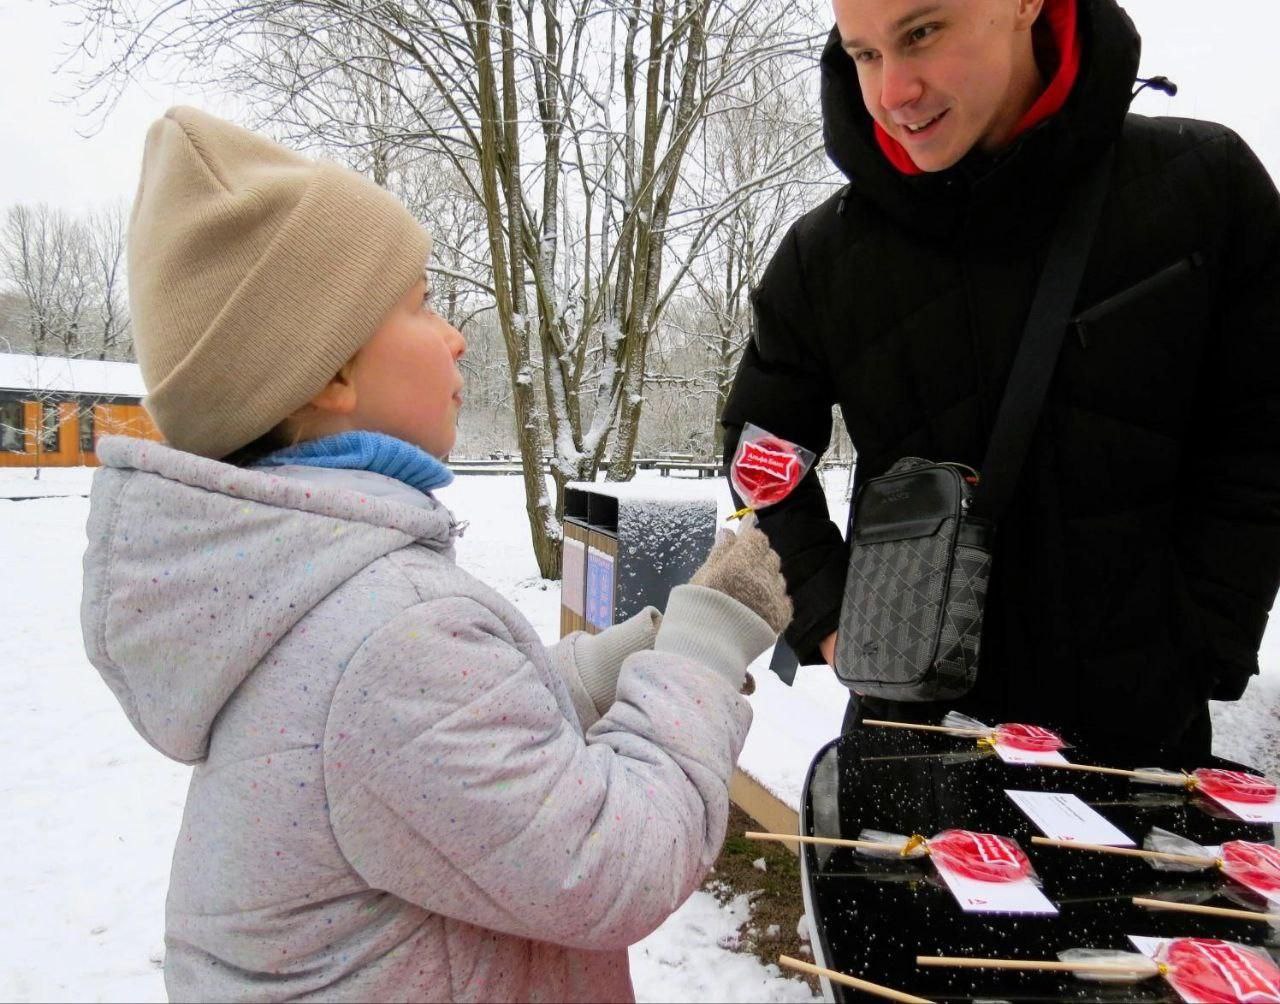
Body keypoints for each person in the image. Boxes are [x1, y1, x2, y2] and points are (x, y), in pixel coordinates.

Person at [81, 107, 792, 1002]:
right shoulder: (390, 634)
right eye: (419, 304)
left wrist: (605, 668)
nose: (456, 335)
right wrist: (705, 647)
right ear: (330, 373)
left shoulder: (309, 591)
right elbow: (610, 865)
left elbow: (439, 753)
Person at [722, 0, 1280, 759]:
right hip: (912, 744)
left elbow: (1258, 427)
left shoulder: (1205, 193)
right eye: (865, 55)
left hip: (1138, 743)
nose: (893, 93)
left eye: (921, 34)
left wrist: (1204, 635)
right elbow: (762, 447)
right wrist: (829, 616)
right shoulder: (823, 257)